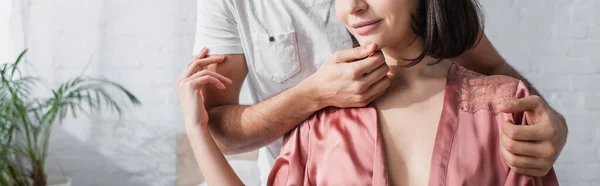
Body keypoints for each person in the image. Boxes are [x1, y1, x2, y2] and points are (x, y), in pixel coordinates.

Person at [181, 0, 567, 184]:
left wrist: (554, 124)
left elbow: (493, 67)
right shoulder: (318, 128)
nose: (352, 6)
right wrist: (313, 97)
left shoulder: (494, 109)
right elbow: (219, 124)